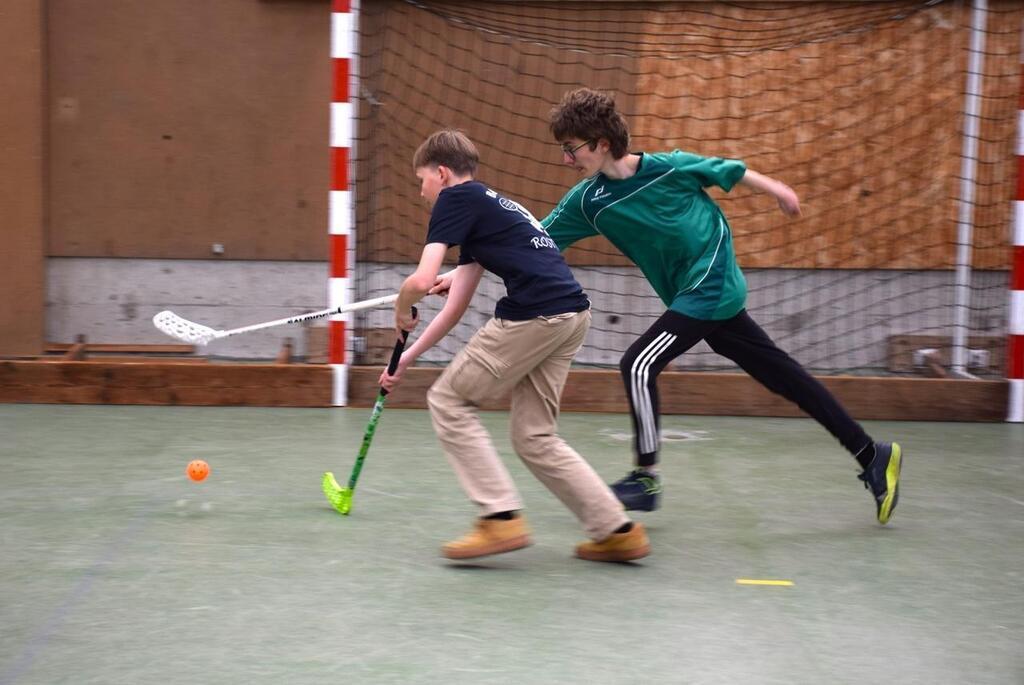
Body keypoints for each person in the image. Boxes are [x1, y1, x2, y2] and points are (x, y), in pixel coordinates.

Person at [534, 87, 902, 523]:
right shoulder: (587, 201)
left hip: (710, 283)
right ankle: (871, 454)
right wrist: (462, 267)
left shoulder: (668, 167)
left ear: (602, 143)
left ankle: (645, 477)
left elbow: (729, 170)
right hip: (702, 301)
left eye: (571, 148)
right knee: (787, 379)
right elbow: (534, 240)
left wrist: (777, 190)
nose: (566, 159)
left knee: (637, 364)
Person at [380, 129, 650, 562]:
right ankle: (617, 530)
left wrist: (402, 306)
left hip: (536, 315)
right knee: (534, 436)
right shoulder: (491, 206)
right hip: (572, 316)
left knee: (449, 401)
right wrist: (408, 358)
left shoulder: (454, 200)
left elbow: (420, 280)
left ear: (443, 173)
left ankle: (500, 519)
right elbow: (454, 304)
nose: (422, 191)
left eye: (422, 180)